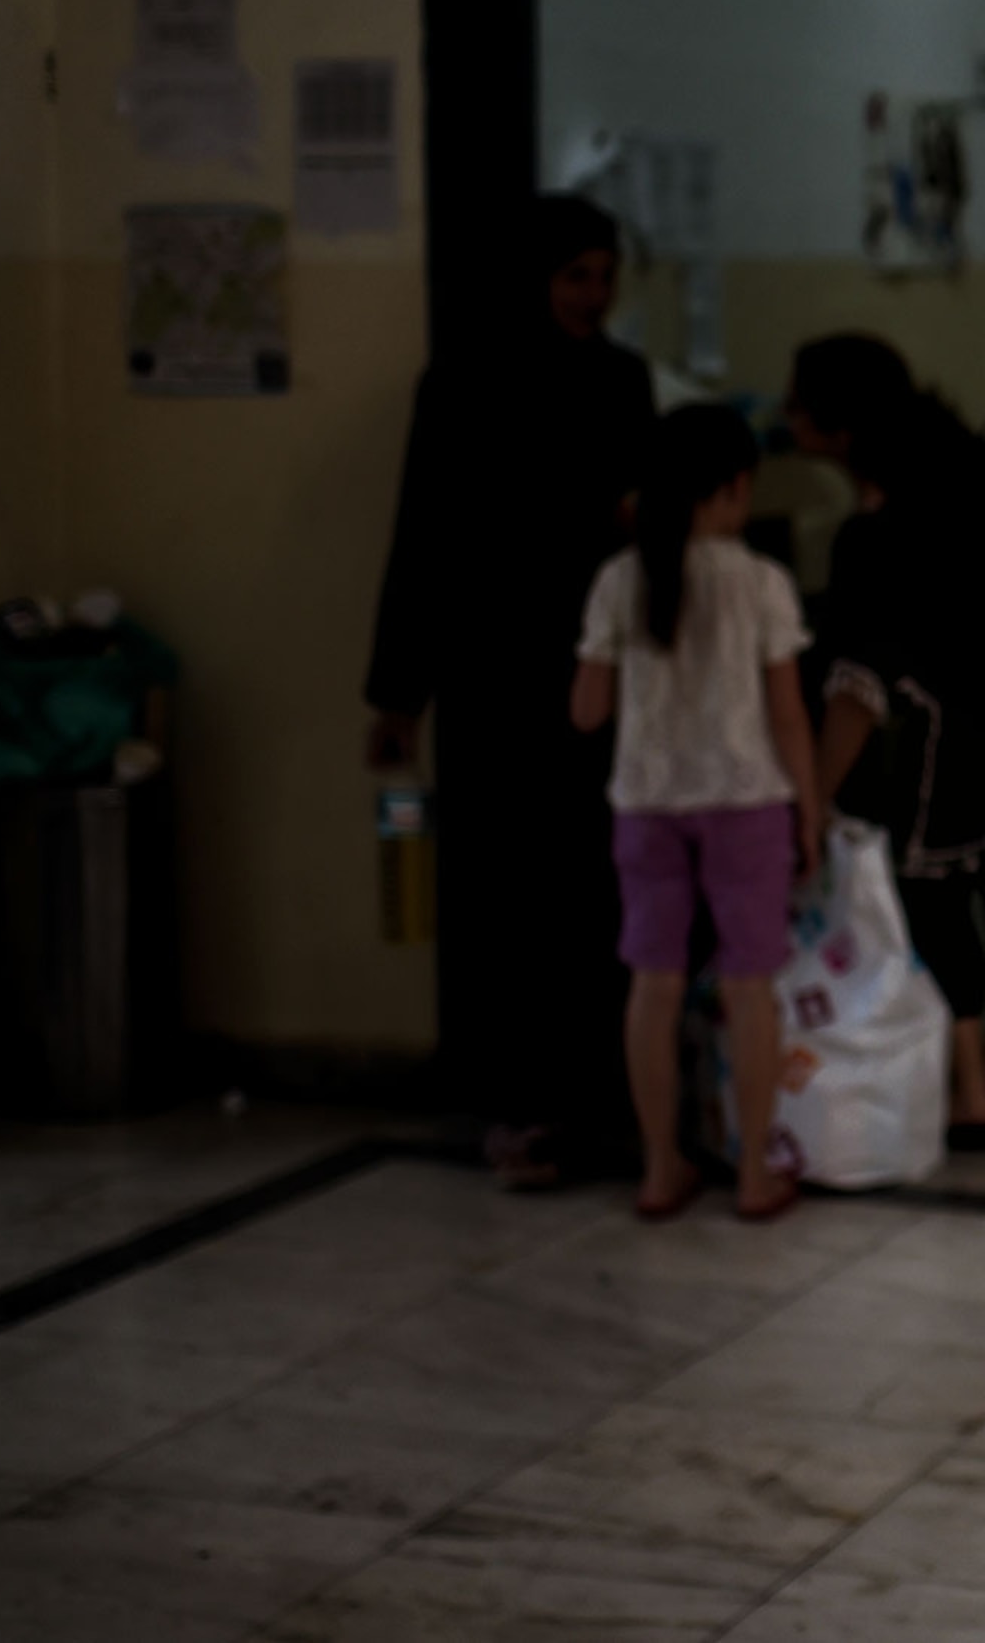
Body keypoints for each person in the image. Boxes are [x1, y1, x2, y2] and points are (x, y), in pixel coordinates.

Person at [364, 194, 655, 1187]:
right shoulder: (464, 382)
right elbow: (427, 534)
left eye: (605, 277)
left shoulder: (620, 378)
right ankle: (519, 1101)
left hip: (593, 667)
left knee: (593, 879)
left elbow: (642, 520)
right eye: (575, 276)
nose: (593, 297)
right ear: (534, 277)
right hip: (492, 671)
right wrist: (399, 689)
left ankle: (604, 1089)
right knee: (503, 887)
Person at [788, 335, 985, 1147]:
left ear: (842, 426)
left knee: (935, 896)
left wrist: (813, 795)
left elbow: (857, 685)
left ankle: (969, 1089)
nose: (786, 418)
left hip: (946, 750)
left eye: (799, 405)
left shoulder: (877, 532)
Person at [570, 404, 820, 1222]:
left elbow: (586, 711)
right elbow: (788, 716)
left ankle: (658, 1166)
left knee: (653, 983)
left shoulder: (618, 579)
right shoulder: (761, 582)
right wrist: (809, 810)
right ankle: (752, 1171)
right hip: (746, 801)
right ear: (737, 485)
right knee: (752, 986)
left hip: (646, 804)